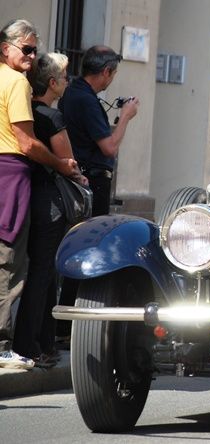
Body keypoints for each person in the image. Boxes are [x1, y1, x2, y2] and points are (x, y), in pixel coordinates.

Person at [0, 19, 79, 370]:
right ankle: (5, 347)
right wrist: (62, 165)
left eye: (35, 50)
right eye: (26, 49)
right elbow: (27, 142)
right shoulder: (15, 82)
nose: (31, 57)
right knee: (10, 264)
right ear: (6, 49)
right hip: (12, 175)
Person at [59, 45, 139, 217]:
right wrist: (125, 116)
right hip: (92, 182)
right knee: (93, 238)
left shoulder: (71, 92)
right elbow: (109, 148)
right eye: (114, 73)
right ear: (106, 71)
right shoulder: (87, 101)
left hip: (77, 178)